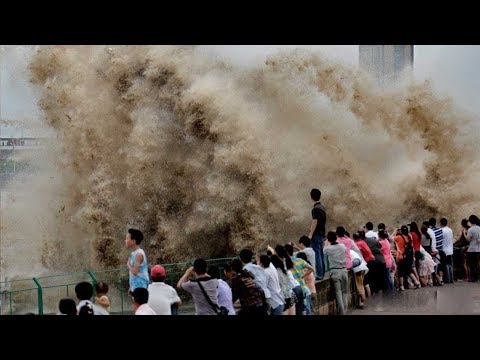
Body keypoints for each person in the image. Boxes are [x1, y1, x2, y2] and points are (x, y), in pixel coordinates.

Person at [323, 231, 348, 315]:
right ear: (336, 237)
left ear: (328, 239)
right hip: (344, 270)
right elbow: (344, 250)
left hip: (335, 271)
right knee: (345, 291)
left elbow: (324, 252)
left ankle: (342, 312)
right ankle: (345, 309)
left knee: (338, 292)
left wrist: (326, 243)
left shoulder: (327, 248)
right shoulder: (342, 246)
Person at [308, 188, 326, 280]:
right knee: (321, 253)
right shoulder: (322, 207)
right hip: (322, 233)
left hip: (317, 234)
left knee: (317, 254)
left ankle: (319, 274)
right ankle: (322, 272)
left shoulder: (316, 209)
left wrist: (310, 234)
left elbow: (314, 221)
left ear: (311, 197)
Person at [125, 228, 149, 294]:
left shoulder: (138, 254)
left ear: (133, 241)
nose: (125, 241)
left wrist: (128, 265)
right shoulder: (133, 253)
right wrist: (131, 286)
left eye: (127, 239)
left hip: (141, 286)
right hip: (136, 285)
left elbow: (135, 272)